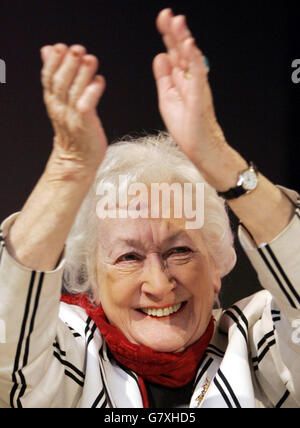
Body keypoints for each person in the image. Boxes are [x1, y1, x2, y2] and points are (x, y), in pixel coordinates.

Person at [0, 8, 299, 408]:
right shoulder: (70, 354)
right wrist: (68, 170)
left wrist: (222, 162)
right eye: (127, 257)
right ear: (93, 283)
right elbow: (9, 367)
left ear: (216, 266)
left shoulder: (257, 344)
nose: (159, 285)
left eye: (180, 251)